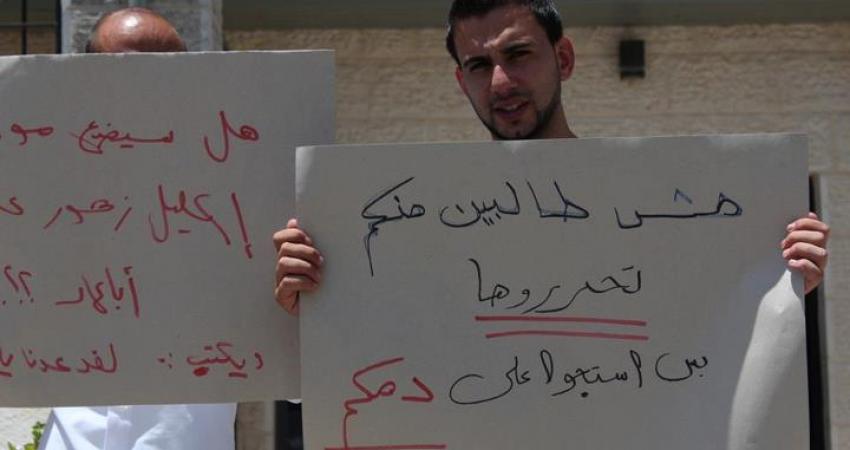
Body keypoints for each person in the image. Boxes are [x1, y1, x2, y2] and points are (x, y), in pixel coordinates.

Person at [273, 0, 830, 314]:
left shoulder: (651, 206)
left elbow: (699, 327)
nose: (500, 82)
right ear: (461, 82)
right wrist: (312, 310)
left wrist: (775, 289)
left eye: (518, 54)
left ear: (563, 58)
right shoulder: (405, 232)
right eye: (478, 65)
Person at [39, 7, 235, 450]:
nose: (143, 90)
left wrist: (301, 304)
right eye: (122, 73)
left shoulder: (238, 199)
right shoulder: (36, 193)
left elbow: (304, 380)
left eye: (164, 74)